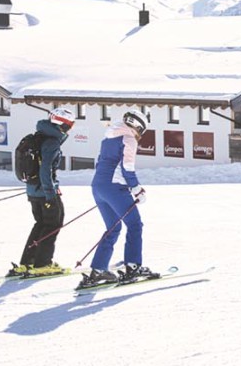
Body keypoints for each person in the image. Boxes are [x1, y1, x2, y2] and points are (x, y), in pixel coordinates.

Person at [79, 112, 154, 288]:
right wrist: (136, 189)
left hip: (98, 186)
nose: (140, 135)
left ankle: (98, 271)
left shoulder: (108, 138)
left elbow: (103, 163)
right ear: (138, 126)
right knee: (135, 225)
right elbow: (127, 168)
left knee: (113, 227)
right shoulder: (129, 139)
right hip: (114, 188)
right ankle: (133, 267)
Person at [17, 108, 74, 279]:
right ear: (63, 125)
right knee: (53, 225)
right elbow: (45, 170)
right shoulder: (51, 142)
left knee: (40, 224)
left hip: (33, 190)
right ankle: (42, 264)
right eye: (69, 126)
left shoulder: (37, 137)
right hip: (45, 192)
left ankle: (27, 262)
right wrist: (50, 195)